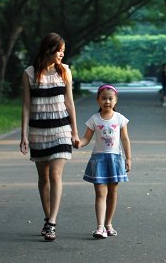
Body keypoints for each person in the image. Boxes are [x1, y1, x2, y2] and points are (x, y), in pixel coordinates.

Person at [19, 32, 80, 242]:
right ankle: (47, 218)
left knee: (55, 175)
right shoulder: (29, 73)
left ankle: (52, 222)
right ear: (49, 49)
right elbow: (26, 106)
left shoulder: (65, 72)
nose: (62, 53)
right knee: (43, 177)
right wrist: (23, 135)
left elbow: (70, 103)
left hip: (61, 130)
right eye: (59, 49)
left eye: (63, 50)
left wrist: (75, 132)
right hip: (38, 131)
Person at [78, 84, 132, 239]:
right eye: (103, 98)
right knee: (100, 193)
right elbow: (86, 138)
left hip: (115, 159)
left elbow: (125, 139)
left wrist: (128, 158)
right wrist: (78, 143)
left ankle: (108, 224)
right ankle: (100, 226)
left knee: (113, 193)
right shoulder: (94, 119)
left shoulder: (120, 118)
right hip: (99, 159)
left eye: (110, 98)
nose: (107, 101)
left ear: (115, 101)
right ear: (98, 100)